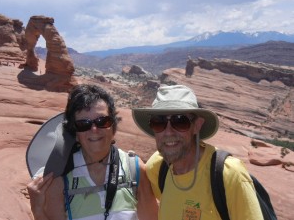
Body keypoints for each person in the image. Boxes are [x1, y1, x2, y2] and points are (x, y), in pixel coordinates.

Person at [27, 84, 158, 220]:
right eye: (84, 124)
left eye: (102, 121)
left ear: (113, 126)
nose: (94, 130)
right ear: (75, 133)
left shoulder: (134, 170)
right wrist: (37, 209)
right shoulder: (61, 180)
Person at [132, 84, 263, 220]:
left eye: (180, 121)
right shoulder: (157, 168)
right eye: (158, 122)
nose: (169, 132)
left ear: (197, 126)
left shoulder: (229, 175)